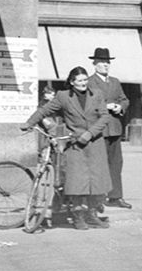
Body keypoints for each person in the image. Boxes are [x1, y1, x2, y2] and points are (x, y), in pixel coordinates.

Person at [22, 66, 111, 230]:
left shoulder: (97, 94)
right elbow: (44, 110)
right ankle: (78, 217)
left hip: (95, 143)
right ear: (72, 82)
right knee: (77, 182)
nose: (84, 83)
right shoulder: (63, 97)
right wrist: (29, 123)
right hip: (75, 144)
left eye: (85, 80)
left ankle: (92, 215)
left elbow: (105, 116)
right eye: (80, 80)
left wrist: (90, 134)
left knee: (96, 182)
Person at [86, 47, 131, 210]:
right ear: (94, 63)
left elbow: (125, 99)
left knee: (116, 163)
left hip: (115, 127)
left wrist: (120, 106)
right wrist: (106, 105)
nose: (106, 65)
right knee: (99, 163)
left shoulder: (115, 82)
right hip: (99, 128)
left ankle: (115, 196)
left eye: (107, 62)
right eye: (102, 62)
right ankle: (98, 198)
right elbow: (88, 104)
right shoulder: (90, 82)